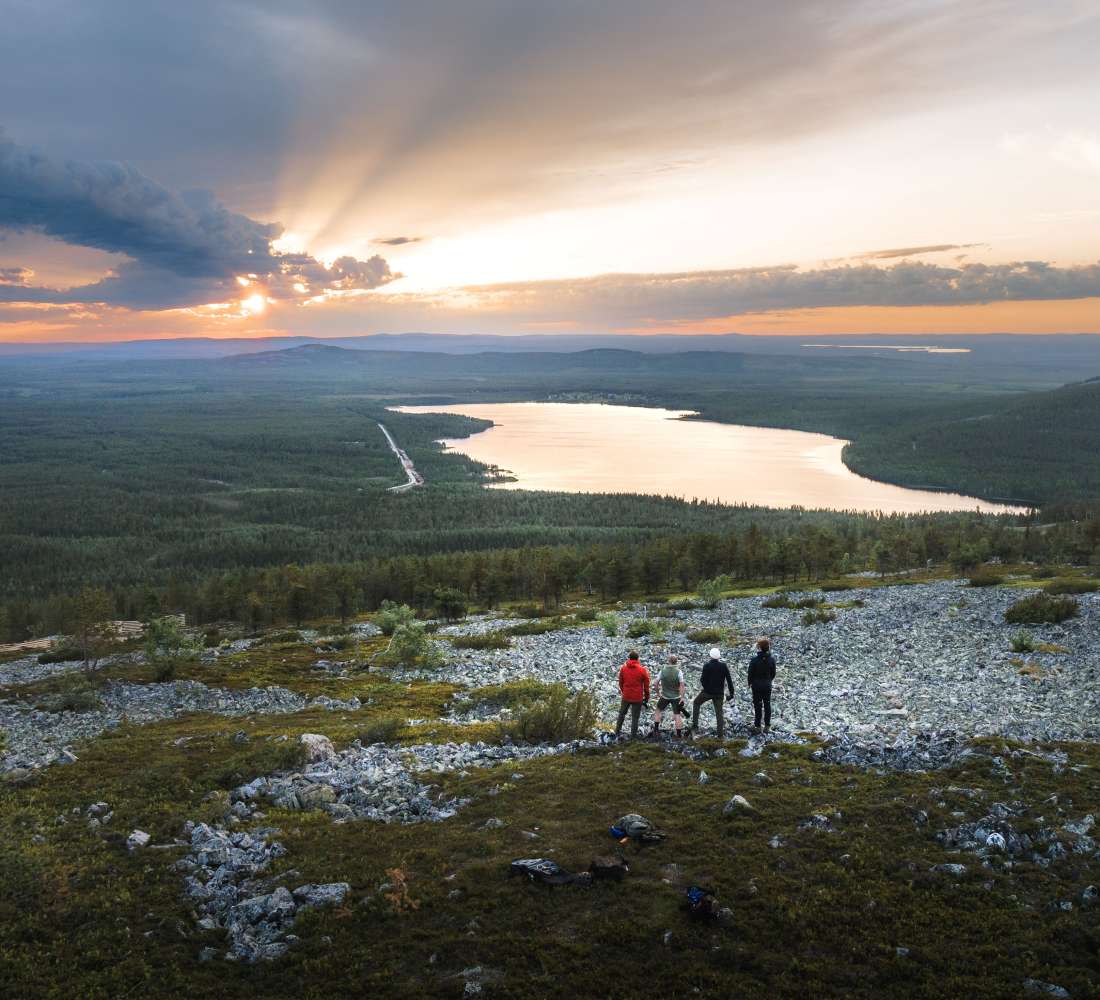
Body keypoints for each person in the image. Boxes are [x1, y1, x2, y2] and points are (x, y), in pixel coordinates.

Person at [691, 647, 735, 738]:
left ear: (710, 656)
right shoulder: (723, 666)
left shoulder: (707, 666)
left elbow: (702, 680)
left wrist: (706, 688)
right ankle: (720, 735)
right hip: (719, 693)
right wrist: (732, 693)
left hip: (707, 692)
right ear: (719, 656)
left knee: (696, 703)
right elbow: (729, 680)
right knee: (719, 713)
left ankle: (695, 726)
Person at [615, 650, 651, 738]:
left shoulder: (623, 668)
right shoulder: (642, 670)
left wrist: (624, 691)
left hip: (626, 696)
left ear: (629, 658)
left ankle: (617, 731)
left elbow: (620, 682)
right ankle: (633, 737)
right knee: (635, 718)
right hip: (637, 697)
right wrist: (646, 697)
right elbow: (646, 685)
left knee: (622, 714)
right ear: (638, 658)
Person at [651, 654, 686, 738]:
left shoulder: (662, 671)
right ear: (676, 662)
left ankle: (656, 730)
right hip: (676, 697)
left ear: (668, 661)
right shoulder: (679, 672)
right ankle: (679, 735)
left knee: (658, 710)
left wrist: (658, 693)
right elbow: (682, 685)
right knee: (677, 715)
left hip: (665, 696)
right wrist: (682, 697)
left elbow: (655, 683)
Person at [747, 637, 777, 733]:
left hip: (756, 686)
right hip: (767, 685)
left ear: (759, 648)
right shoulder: (771, 659)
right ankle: (767, 726)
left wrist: (750, 683)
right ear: (768, 648)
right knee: (767, 704)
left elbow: (750, 673)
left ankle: (757, 726)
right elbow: (773, 673)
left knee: (758, 705)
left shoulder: (754, 660)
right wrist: (769, 680)